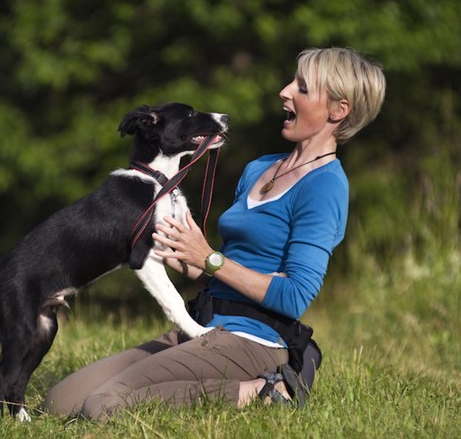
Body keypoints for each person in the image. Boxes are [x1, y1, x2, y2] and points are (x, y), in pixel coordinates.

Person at [43, 47, 386, 421]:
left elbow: (294, 296)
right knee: (61, 401)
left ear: (338, 111)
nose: (284, 91)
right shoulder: (259, 168)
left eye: (301, 88)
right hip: (204, 325)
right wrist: (178, 252)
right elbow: (218, 267)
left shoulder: (325, 187)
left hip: (252, 340)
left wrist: (209, 258)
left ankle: (266, 390)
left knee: (104, 405)